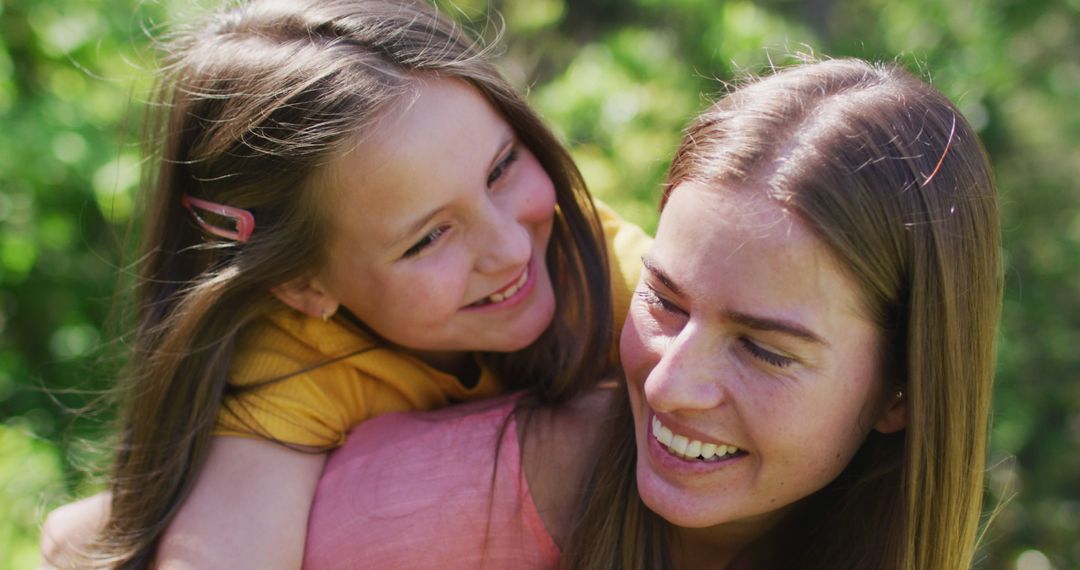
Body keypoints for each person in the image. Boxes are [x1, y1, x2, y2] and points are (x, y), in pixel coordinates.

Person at [303, 58, 1001, 570]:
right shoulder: (412, 517)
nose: (668, 385)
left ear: (901, 391)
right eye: (664, 299)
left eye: (762, 348)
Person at [38, 0, 651, 568]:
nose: (511, 248)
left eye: (502, 168)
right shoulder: (297, 358)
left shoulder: (618, 279)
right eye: (429, 238)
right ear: (304, 287)